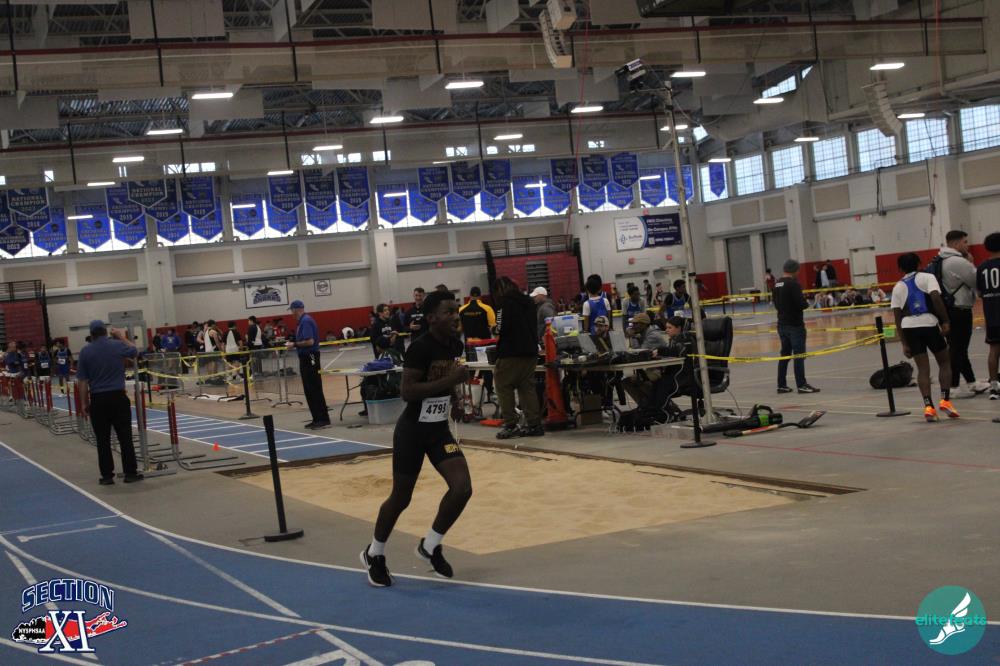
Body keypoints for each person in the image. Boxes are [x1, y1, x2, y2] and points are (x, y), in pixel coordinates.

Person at [362, 290, 472, 587]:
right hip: (412, 432)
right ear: (432, 318)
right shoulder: (419, 348)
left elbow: (446, 378)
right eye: (449, 312)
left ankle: (430, 546)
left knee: (462, 488)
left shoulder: (455, 344)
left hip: (439, 431)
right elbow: (407, 392)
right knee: (401, 498)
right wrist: (452, 380)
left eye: (456, 311)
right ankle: (374, 553)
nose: (455, 317)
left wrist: (455, 399)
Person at [892, 252, 957, 422]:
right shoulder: (928, 277)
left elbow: (897, 317)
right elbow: (936, 299)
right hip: (928, 324)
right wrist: (945, 321)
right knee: (944, 362)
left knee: (923, 369)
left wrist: (904, 343)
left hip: (909, 328)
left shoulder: (898, 287)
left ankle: (928, 407)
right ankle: (945, 400)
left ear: (900, 268)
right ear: (919, 263)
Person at [76, 320, 142, 485]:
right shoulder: (117, 345)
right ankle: (130, 473)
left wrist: (84, 403)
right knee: (125, 437)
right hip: (118, 397)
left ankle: (107, 476)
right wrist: (121, 336)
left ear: (91, 334)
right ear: (105, 332)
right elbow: (134, 351)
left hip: (98, 399)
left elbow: (82, 381)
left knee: (102, 440)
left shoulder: (85, 351)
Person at [935, 230, 990, 396]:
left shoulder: (940, 259)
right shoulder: (958, 262)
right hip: (959, 310)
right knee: (957, 350)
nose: (967, 245)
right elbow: (977, 281)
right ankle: (953, 387)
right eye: (965, 242)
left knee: (958, 348)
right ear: (956, 243)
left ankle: (971, 382)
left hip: (949, 309)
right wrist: (971, 263)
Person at [493, 276, 544, 439]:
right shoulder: (528, 301)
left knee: (503, 386)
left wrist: (494, 329)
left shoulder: (504, 303)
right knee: (527, 387)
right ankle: (534, 424)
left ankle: (511, 425)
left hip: (510, 352)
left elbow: (500, 328)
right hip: (530, 351)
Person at [773, 259, 819, 394]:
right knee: (799, 355)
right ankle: (801, 384)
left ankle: (781, 385)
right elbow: (801, 304)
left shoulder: (777, 283)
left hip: (782, 324)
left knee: (785, 355)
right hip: (795, 325)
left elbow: (775, 303)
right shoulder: (793, 284)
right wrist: (807, 302)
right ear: (794, 270)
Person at [287, 300, 330, 429]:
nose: (291, 313)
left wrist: (294, 344)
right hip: (305, 357)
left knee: (314, 387)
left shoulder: (306, 321)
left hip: (310, 357)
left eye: (291, 310)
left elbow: (310, 341)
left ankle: (322, 418)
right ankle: (316, 418)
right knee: (309, 389)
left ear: (296, 309)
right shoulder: (301, 322)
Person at [976, 232, 1000, 400]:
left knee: (994, 350)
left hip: (991, 314)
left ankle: (994, 387)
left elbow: (979, 292)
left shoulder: (982, 267)